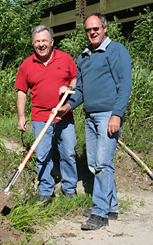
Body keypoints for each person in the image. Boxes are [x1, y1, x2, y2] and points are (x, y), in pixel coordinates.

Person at [55, 13, 132, 230]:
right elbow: (80, 91)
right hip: (90, 116)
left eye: (96, 28)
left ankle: (99, 213)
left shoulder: (116, 50)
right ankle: (111, 207)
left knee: (102, 164)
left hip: (109, 114)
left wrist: (117, 114)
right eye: (88, 29)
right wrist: (68, 107)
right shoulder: (83, 56)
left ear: (105, 28)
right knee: (94, 164)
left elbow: (125, 85)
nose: (92, 32)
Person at [14, 25, 78, 204]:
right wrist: (21, 116)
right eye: (37, 41)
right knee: (42, 155)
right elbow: (21, 91)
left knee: (69, 153)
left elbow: (74, 78)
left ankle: (69, 188)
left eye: (44, 40)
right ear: (33, 43)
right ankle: (45, 190)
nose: (41, 44)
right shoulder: (27, 64)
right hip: (40, 117)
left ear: (52, 41)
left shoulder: (65, 58)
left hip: (64, 115)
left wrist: (70, 88)